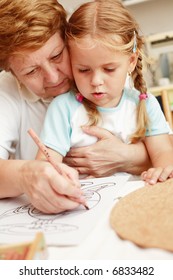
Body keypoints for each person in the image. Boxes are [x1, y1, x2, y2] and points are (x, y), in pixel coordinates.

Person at [0, 0, 152, 214]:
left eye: (56, 56)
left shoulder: (106, 71)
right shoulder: (5, 90)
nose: (53, 77)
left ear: (68, 38)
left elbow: (165, 148)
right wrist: (26, 175)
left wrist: (127, 156)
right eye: (31, 71)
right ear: (12, 73)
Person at [36, 0, 173, 184]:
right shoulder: (63, 108)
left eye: (109, 69)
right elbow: (44, 166)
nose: (96, 81)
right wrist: (52, 178)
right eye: (83, 70)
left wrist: (163, 171)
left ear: (131, 61)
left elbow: (164, 154)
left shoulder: (145, 104)